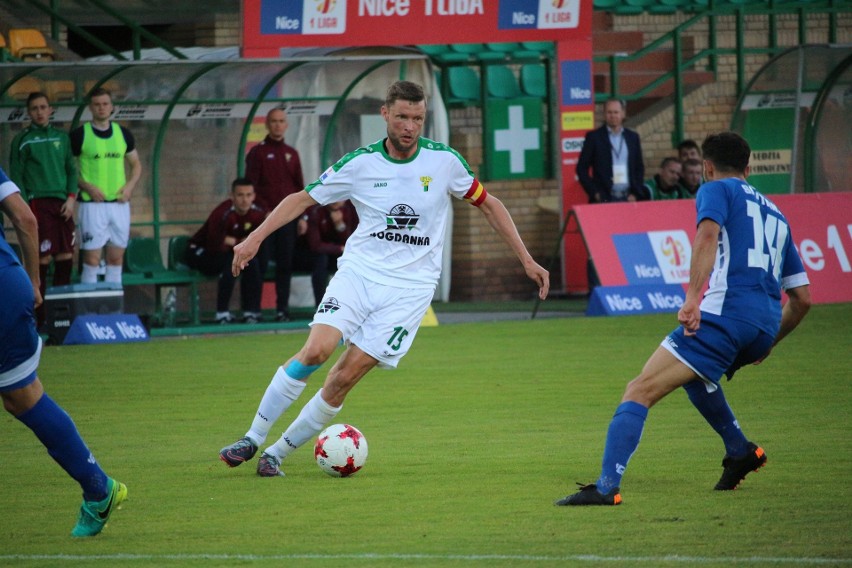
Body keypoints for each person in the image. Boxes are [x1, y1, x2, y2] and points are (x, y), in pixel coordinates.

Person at [219, 80, 550, 477]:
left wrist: (526, 260)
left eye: (418, 119)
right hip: (359, 275)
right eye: (403, 117)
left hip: (409, 293)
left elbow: (489, 204)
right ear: (385, 115)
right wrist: (254, 238)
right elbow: (301, 199)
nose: (410, 126)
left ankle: (276, 453)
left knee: (343, 378)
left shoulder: (444, 162)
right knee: (317, 351)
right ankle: (253, 438)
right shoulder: (359, 164)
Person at [556, 132, 811, 506]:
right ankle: (740, 450)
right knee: (695, 375)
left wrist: (692, 299)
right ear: (748, 167)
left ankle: (607, 487)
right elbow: (803, 299)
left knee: (640, 389)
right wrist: (768, 342)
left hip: (725, 315)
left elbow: (707, 236)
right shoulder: (777, 214)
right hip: (764, 324)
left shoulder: (715, 189)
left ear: (707, 167)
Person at [0, 166, 127, 536]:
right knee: (22, 397)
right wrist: (32, 281)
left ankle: (99, 487)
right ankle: (98, 487)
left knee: (22, 395)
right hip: (10, 284)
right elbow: (24, 217)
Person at [9, 92, 78, 327]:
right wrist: (25, 206)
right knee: (43, 258)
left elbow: (71, 170)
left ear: (51, 109)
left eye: (43, 107)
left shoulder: (62, 138)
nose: (39, 111)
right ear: (29, 112)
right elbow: (16, 176)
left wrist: (71, 199)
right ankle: (41, 319)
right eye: (35, 108)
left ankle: (62, 319)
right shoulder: (23, 140)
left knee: (66, 256)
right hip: (38, 203)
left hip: (62, 203)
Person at [70, 87, 143, 285]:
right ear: (90, 108)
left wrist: (129, 188)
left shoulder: (123, 134)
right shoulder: (79, 135)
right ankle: (89, 309)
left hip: (119, 205)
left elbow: (136, 165)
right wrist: (86, 186)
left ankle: (113, 308)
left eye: (105, 104)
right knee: (92, 260)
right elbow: (68, 169)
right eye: (97, 104)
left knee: (116, 258)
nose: (101, 108)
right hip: (92, 206)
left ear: (112, 107)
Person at [245, 107, 305, 322]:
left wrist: (302, 217)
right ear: (267, 125)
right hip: (265, 221)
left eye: (281, 121)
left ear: (286, 125)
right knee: (259, 264)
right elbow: (250, 187)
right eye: (274, 121)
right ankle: (254, 311)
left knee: (285, 265)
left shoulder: (292, 154)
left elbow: (300, 188)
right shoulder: (257, 153)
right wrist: (264, 210)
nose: (278, 125)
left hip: (288, 221)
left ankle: (282, 310)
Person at [185, 178, 267, 324]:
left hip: (228, 253)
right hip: (200, 252)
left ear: (254, 196)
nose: (244, 200)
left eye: (248, 195)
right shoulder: (221, 213)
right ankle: (222, 313)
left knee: (252, 263)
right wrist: (238, 242)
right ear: (232, 196)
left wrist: (235, 242)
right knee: (230, 263)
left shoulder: (258, 213)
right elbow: (215, 243)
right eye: (240, 195)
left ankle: (251, 312)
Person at [576, 98, 646, 203]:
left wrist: (636, 193)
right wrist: (595, 193)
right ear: (604, 114)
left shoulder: (633, 137)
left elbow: (639, 167)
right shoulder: (594, 137)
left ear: (623, 113)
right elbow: (581, 169)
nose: (613, 116)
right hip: (605, 198)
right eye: (609, 112)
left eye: (616, 112)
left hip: (628, 198)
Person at [296, 200, 358, 306]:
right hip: (310, 256)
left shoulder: (352, 209)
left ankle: (352, 305)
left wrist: (340, 226)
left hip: (336, 254)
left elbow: (352, 242)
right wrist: (339, 248)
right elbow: (315, 245)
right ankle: (320, 306)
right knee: (320, 259)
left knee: (353, 260)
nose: (336, 200)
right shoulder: (315, 210)